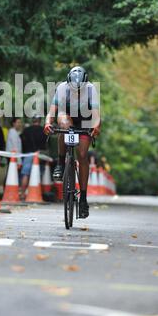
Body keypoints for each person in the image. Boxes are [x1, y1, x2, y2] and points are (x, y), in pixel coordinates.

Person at [44, 66, 101, 219]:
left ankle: (83, 198)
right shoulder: (62, 88)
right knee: (64, 125)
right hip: (68, 117)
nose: (76, 92)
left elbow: (96, 116)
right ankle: (61, 163)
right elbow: (52, 111)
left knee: (82, 155)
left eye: (79, 90)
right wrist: (48, 123)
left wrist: (95, 127)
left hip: (85, 120)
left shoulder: (91, 90)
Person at [21, 116, 47, 199]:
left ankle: (22, 194)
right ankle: (36, 194)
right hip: (40, 155)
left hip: (28, 154)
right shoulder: (44, 131)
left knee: (25, 174)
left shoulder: (26, 130)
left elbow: (22, 142)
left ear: (33, 121)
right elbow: (46, 143)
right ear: (40, 121)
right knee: (38, 175)